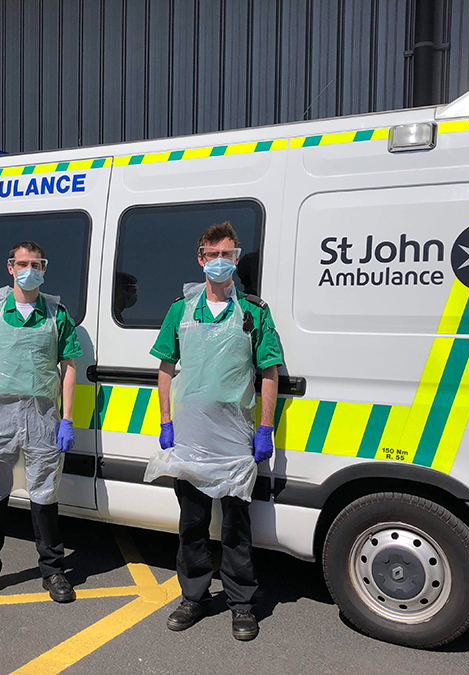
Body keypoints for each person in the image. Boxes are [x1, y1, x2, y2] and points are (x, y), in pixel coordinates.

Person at [145, 221, 283, 641]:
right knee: (192, 523)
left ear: (237, 258)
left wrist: (265, 429)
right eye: (213, 254)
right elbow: (165, 370)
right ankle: (194, 597)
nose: (220, 261)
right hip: (189, 437)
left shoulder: (254, 312)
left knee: (236, 528)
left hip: (234, 440)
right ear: (200, 258)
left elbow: (269, 373)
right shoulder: (181, 310)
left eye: (228, 254)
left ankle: (242, 604)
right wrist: (166, 422)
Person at [0, 241, 83, 605]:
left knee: (44, 494)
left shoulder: (57, 315)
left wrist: (67, 420)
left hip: (43, 419)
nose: (30, 270)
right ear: (10, 268)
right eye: (23, 263)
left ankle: (53, 571)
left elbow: (69, 368)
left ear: (44, 269)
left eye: (37, 264)